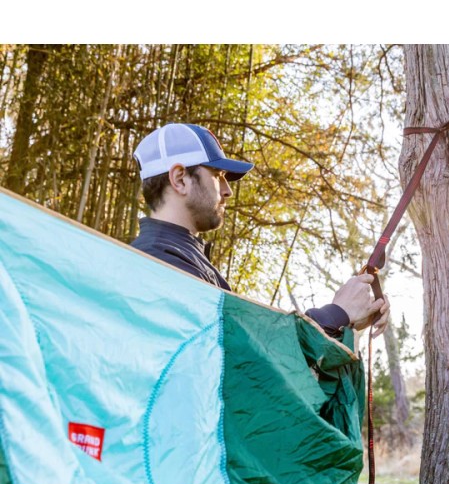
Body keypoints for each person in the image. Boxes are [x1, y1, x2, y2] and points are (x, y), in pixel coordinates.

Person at [130, 123, 389, 338]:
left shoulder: (181, 258)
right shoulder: (160, 264)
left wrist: (346, 319)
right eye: (218, 175)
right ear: (180, 179)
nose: (227, 191)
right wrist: (336, 314)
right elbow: (244, 360)